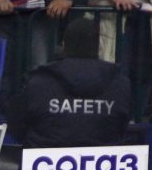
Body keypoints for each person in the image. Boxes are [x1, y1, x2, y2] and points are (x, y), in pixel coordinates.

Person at [7, 17, 131, 147]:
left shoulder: (39, 82)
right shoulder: (120, 84)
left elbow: (17, 123)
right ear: (99, 47)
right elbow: (122, 126)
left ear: (63, 45)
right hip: (104, 157)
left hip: (45, 154)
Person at [89, 0, 152, 119]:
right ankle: (111, 122)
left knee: (144, 75)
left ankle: (136, 122)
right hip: (116, 13)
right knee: (115, 73)